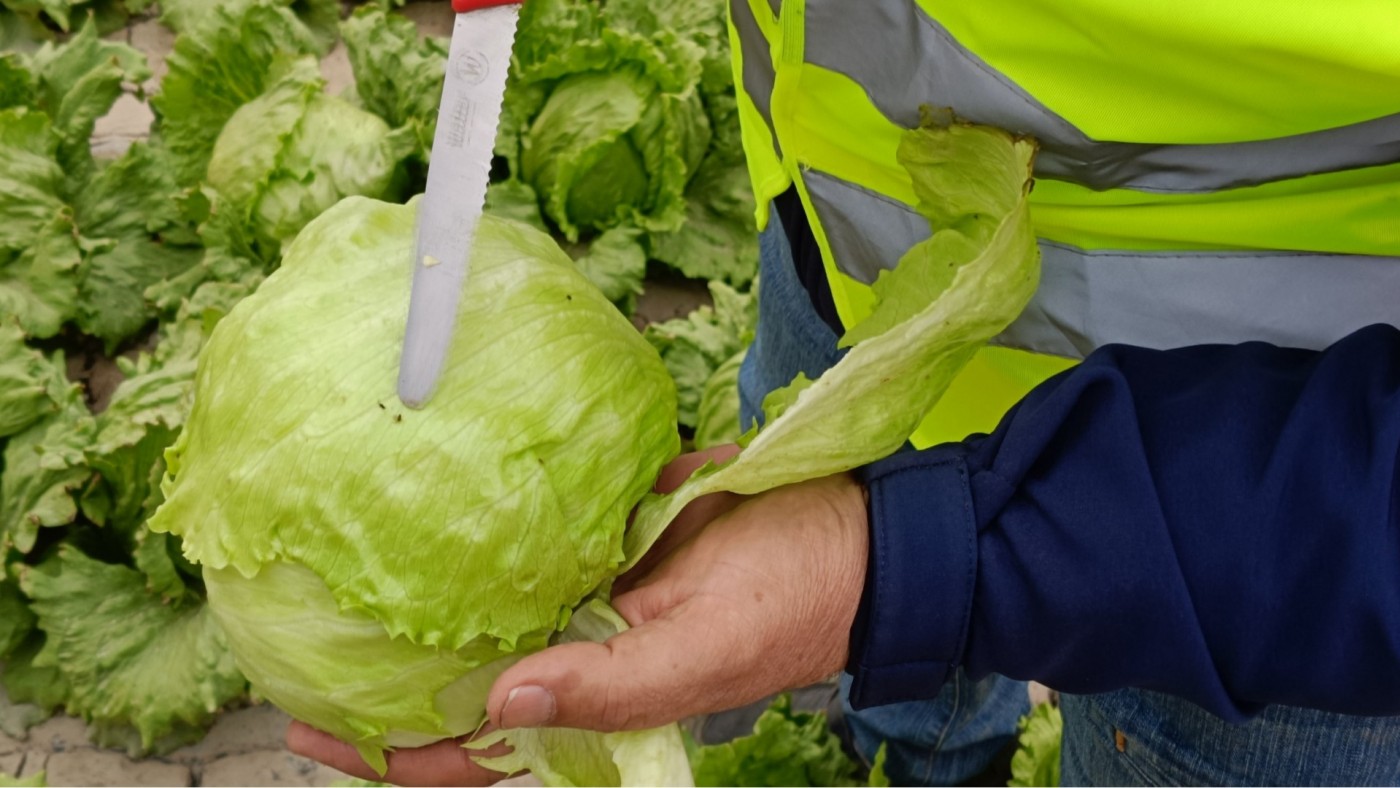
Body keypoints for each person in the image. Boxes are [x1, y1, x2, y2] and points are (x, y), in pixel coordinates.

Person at [291, 1, 1400, 784]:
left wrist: (906, 564)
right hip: (847, 248)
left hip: (1273, 513)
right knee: (899, 672)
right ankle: (931, 759)